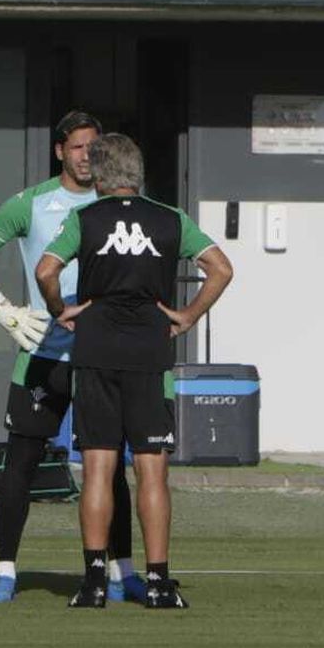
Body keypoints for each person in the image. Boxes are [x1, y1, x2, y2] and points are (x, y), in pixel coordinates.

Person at [36, 134, 233, 609]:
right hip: (150, 352)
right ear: (139, 174)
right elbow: (222, 269)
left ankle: (95, 581)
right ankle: (160, 582)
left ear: (99, 176)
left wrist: (61, 307)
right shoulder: (171, 219)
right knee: (152, 472)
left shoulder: (86, 219)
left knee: (99, 469)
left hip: (97, 350)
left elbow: (46, 270)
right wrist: (187, 316)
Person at [0, 111, 144, 604]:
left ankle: (121, 572)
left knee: (108, 467)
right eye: (78, 147)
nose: (87, 156)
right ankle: (5, 572)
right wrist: (3, 309)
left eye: (94, 147)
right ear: (60, 151)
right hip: (43, 352)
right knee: (20, 461)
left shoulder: (120, 205)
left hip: (104, 354)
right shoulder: (33, 204)